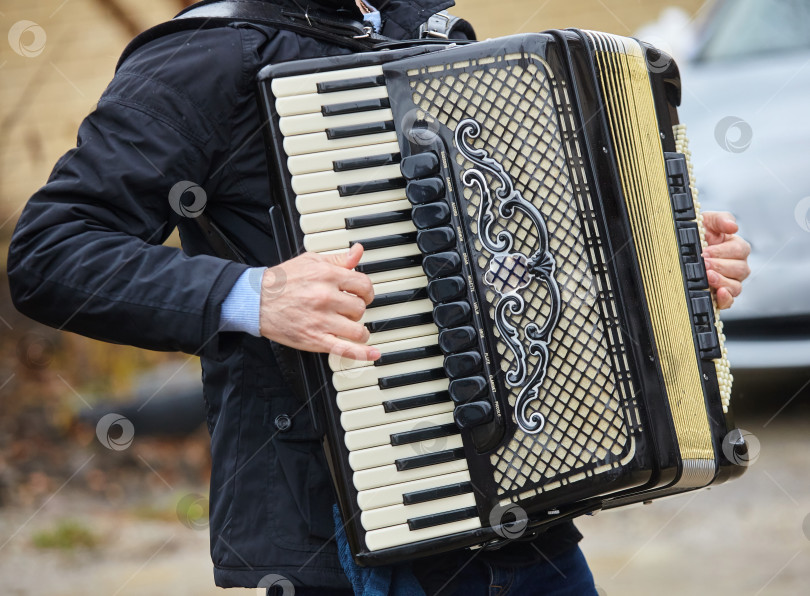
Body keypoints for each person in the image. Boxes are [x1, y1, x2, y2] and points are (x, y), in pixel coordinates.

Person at [6, 0, 751, 594]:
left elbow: (512, 249)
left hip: (523, 527)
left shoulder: (418, 27)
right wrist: (251, 293)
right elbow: (51, 253)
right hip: (344, 538)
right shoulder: (201, 57)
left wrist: (667, 272)